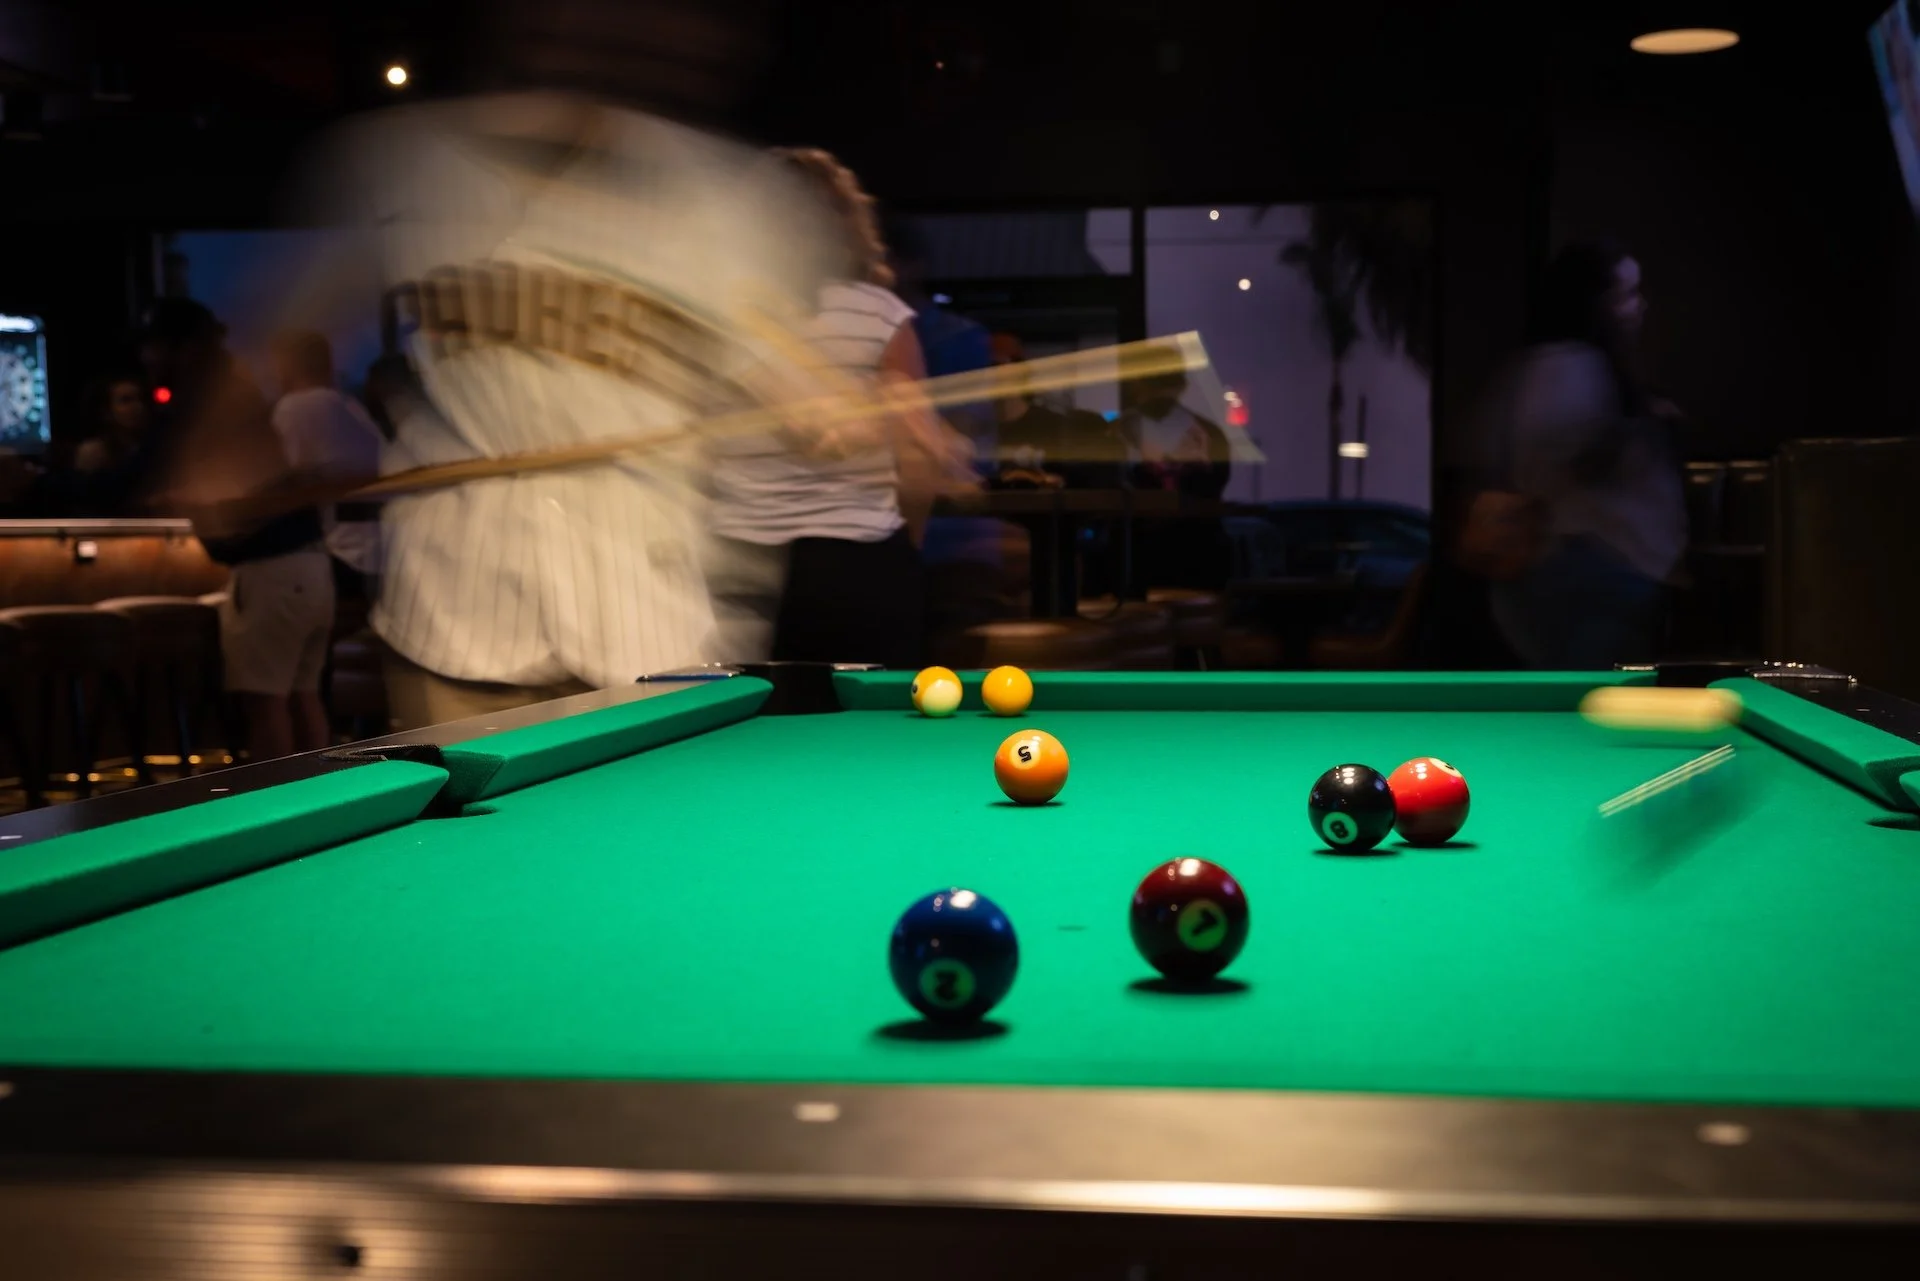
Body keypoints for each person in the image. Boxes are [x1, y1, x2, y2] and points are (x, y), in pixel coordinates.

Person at [705, 147, 973, 669]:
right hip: (857, 564)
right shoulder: (879, 313)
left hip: (739, 567)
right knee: (876, 736)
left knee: (745, 731)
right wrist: (904, 547)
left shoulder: (717, 313)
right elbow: (918, 460)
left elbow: (696, 453)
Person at [142, 299, 336, 760]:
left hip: (270, 572)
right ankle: (324, 800)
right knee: (302, 696)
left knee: (267, 706)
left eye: (151, 347)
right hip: (314, 567)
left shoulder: (206, 402)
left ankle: (282, 812)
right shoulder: (243, 396)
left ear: (180, 349)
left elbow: (143, 472)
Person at [1484, 240, 1688, 669]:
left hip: (1601, 578)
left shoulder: (1559, 367)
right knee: (1595, 707)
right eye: (1628, 294)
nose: (1642, 305)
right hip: (1588, 579)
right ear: (1597, 304)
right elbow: (1562, 465)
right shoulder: (1569, 368)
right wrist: (1638, 428)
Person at [268, 331, 386, 595]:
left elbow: (278, 483)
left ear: (285, 367)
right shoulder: (350, 407)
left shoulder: (296, 407)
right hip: (382, 555)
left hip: (346, 558)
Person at [1109, 353, 1232, 592]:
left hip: (1145, 555)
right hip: (1195, 553)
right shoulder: (1208, 432)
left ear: (1137, 384)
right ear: (1182, 385)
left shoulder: (1119, 432)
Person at [73, 374, 152, 477]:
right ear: (107, 411)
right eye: (126, 400)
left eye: (140, 399)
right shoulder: (93, 453)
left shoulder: (150, 448)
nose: (137, 406)